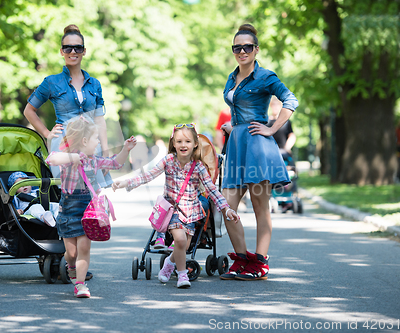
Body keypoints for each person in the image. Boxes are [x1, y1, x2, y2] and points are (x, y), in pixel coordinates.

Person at [113, 123, 239, 288]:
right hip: (172, 210)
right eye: (179, 141)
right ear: (173, 144)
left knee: (184, 246)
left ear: (195, 144)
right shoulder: (168, 161)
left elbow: (212, 190)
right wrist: (125, 182)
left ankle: (168, 264)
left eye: (187, 141)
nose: (183, 145)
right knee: (179, 240)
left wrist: (226, 209)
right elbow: (147, 176)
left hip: (191, 212)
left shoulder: (199, 167)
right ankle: (182, 275)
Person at [219, 23, 299, 281]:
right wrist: (234, 126)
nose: (242, 51)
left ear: (256, 49)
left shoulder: (265, 77)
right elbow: (238, 107)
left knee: (259, 207)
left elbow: (290, 100)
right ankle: (242, 260)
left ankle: (261, 264)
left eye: (247, 47)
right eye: (237, 47)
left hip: (257, 148)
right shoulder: (232, 77)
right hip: (237, 146)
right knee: (226, 206)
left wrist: (273, 127)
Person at [46, 116, 137, 298]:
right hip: (69, 210)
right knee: (71, 253)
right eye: (95, 139)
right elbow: (51, 159)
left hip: (88, 211)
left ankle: (80, 285)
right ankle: (70, 266)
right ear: (85, 140)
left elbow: (115, 163)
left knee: (84, 248)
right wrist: (73, 156)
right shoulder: (68, 159)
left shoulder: (94, 160)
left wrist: (125, 150)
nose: (97, 143)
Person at [24, 24, 112, 188]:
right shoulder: (51, 82)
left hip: (91, 145)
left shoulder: (95, 84)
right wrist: (47, 133)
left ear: (84, 51)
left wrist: (105, 150)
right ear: (61, 51)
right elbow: (29, 110)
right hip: (63, 146)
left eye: (77, 48)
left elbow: (99, 118)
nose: (73, 52)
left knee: (92, 196)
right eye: (68, 48)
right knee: (68, 196)